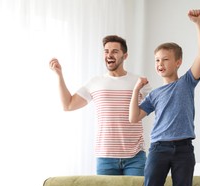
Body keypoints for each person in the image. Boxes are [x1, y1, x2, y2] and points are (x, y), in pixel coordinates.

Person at [129, 10, 200, 186]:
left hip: (184, 149)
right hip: (158, 150)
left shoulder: (186, 82)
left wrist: (199, 24)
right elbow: (134, 117)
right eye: (157, 61)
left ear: (178, 62)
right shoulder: (154, 94)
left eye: (165, 59)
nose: (160, 64)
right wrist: (136, 90)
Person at [49, 35, 152, 175]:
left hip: (135, 156)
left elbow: (158, 106)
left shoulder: (139, 82)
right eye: (106, 51)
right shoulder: (95, 82)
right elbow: (68, 105)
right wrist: (59, 75)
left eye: (115, 51)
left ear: (125, 55)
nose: (109, 55)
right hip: (105, 157)